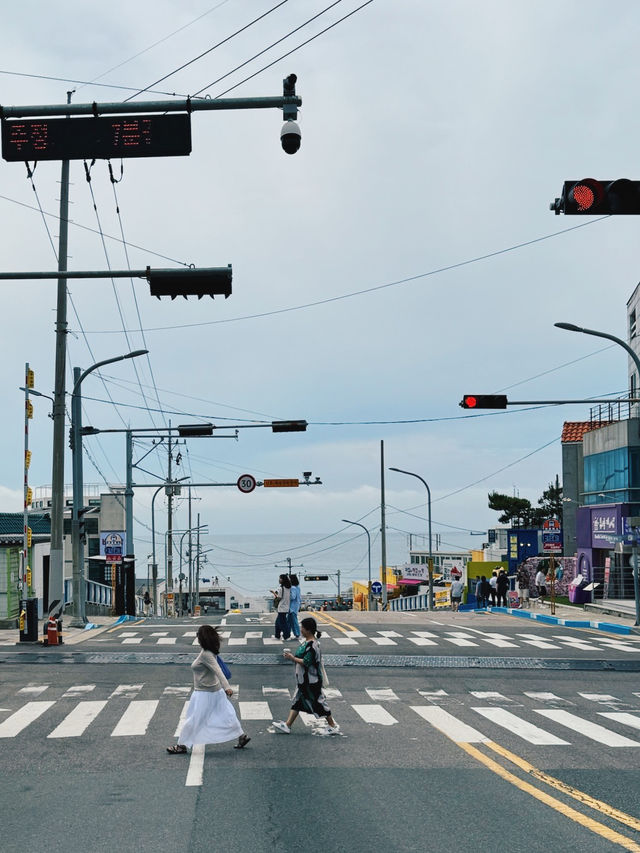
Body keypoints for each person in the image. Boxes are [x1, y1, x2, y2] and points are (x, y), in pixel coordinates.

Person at [167, 624, 250, 754]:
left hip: (204, 693)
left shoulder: (206, 654)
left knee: (193, 718)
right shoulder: (208, 651)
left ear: (203, 639)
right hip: (214, 691)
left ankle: (181, 745)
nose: (197, 639)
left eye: (198, 636)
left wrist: (227, 687)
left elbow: (218, 671)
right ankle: (242, 737)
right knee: (228, 715)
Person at [272, 616, 340, 735]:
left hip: (311, 680)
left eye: (302, 628)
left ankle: (332, 725)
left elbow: (307, 662)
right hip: (304, 680)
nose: (301, 630)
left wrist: (292, 658)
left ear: (308, 630)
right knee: (297, 701)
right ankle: (287, 725)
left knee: (319, 702)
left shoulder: (312, 645)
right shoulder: (307, 643)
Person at [270, 574, 291, 640]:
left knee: (283, 623)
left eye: (280, 578)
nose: (279, 580)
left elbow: (279, 598)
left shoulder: (282, 589)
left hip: (282, 608)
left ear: (283, 580)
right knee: (278, 623)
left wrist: (273, 593)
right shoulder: (288, 588)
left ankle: (286, 636)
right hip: (286, 607)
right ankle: (277, 635)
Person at [288, 574, 302, 639]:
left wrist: (286, 596)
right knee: (290, 621)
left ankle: (297, 634)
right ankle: (290, 633)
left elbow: (292, 597)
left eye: (289, 579)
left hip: (292, 607)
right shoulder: (298, 587)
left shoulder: (292, 588)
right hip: (296, 605)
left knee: (293, 621)